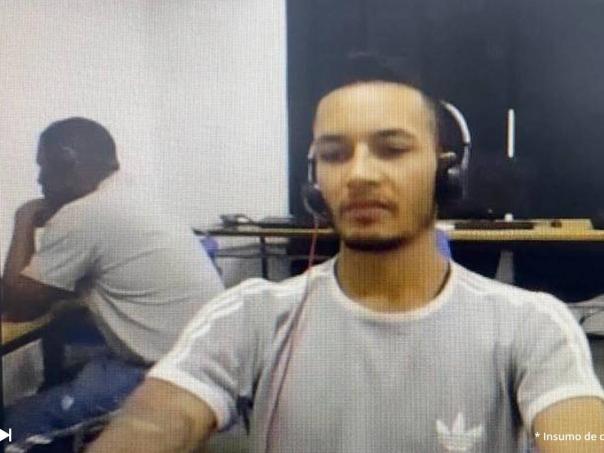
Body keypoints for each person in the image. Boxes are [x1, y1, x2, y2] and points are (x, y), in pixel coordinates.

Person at [89, 77, 604, 452]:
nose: (359, 174)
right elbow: (155, 421)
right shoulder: (250, 314)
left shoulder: (529, 323)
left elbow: (576, 434)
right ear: (315, 184)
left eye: (392, 149)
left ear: (447, 173)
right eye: (334, 155)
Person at [1, 117, 224, 448]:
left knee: (13, 424)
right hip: (201, 364)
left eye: (43, 166)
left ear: (67, 161)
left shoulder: (84, 213)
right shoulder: (130, 193)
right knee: (59, 384)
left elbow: (18, 307)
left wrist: (23, 219)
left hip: (159, 375)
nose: (39, 179)